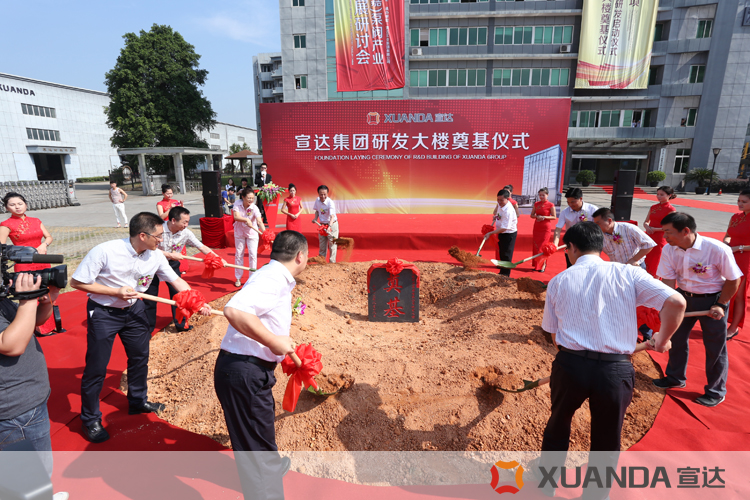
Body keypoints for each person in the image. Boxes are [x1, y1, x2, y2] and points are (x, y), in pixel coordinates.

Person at [537, 222, 685, 499]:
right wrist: (662, 341)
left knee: (558, 424)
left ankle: (546, 487)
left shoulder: (560, 280)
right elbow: (676, 302)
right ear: (602, 246)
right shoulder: (628, 273)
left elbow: (552, 334)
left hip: (570, 366)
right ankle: (595, 495)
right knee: (607, 437)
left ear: (571, 248)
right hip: (615, 370)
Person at [70, 212, 210, 442]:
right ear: (142, 235)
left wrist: (196, 299)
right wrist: (115, 291)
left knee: (139, 356)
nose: (162, 241)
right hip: (104, 312)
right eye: (158, 236)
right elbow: (77, 282)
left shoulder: (154, 255)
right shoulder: (105, 251)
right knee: (97, 366)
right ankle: (90, 418)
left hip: (134, 309)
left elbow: (176, 281)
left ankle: (137, 400)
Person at [214, 230, 305, 499]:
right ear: (300, 256)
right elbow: (235, 311)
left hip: (245, 369)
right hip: (245, 371)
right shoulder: (272, 278)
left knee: (255, 441)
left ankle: (270, 467)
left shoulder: (273, 274)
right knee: (257, 454)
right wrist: (273, 341)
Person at [654, 212, 742, 407]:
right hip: (683, 297)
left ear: (686, 231)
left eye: (668, 232)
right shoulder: (670, 250)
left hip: (713, 301)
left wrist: (721, 304)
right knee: (675, 337)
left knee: (715, 347)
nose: (665, 237)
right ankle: (675, 377)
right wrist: (669, 304)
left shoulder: (716, 249)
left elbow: (733, 279)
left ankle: (715, 391)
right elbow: (668, 279)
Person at [0, 274, 69, 500]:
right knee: (29, 483)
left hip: (26, 401)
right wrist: (27, 299)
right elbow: (11, 345)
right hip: (16, 411)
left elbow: (31, 322)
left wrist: (49, 298)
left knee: (33, 475)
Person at [144, 206, 227, 332]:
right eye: (185, 222)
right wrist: (170, 254)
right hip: (152, 265)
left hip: (171, 265)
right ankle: (147, 330)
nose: (187, 225)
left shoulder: (186, 233)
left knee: (179, 294)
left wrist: (217, 258)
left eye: (187, 222)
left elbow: (202, 247)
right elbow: (151, 249)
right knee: (150, 297)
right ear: (173, 220)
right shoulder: (158, 229)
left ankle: (181, 324)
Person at [0, 192, 58, 335]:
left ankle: (50, 326)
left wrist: (44, 245)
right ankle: (34, 328)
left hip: (42, 260)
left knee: (48, 291)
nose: (17, 207)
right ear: (7, 208)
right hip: (23, 264)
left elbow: (49, 237)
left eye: (20, 204)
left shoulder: (36, 220)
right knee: (31, 295)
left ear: (25, 204)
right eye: (12, 205)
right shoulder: (6, 225)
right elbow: (1, 247)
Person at [723, 189, 750, 339]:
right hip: (730, 256)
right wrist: (726, 245)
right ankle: (723, 320)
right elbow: (728, 235)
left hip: (745, 259)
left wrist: (738, 248)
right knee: (726, 291)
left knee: (739, 294)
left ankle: (733, 327)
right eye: (739, 201)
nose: (739, 204)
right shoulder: (735, 217)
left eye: (744, 202)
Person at [552, 187, 599, 268]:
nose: (570, 205)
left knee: (589, 267)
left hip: (589, 244)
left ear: (581, 199)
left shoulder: (593, 210)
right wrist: (555, 244)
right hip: (572, 245)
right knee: (572, 267)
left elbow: (599, 227)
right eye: (568, 202)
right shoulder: (565, 212)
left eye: (573, 202)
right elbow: (558, 229)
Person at [233, 188, 266, 287]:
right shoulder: (237, 204)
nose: (251, 200)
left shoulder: (254, 208)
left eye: (252, 198)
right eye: (249, 198)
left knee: (252, 255)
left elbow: (259, 222)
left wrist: (265, 233)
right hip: (239, 231)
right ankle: (238, 278)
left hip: (252, 232)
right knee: (239, 254)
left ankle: (252, 278)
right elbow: (236, 216)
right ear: (243, 197)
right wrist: (245, 220)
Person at [643, 186, 677, 277]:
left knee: (657, 259)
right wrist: (646, 226)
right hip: (649, 235)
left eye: (662, 195)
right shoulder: (653, 207)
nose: (659, 196)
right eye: (657, 194)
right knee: (646, 257)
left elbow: (670, 226)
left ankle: (655, 280)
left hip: (661, 237)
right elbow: (646, 221)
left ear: (669, 195)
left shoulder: (671, 209)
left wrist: (654, 229)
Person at [483, 189, 518, 277]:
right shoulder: (500, 204)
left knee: (506, 255)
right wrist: (497, 217)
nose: (499, 202)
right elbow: (499, 214)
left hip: (509, 234)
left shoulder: (508, 210)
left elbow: (505, 228)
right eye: (498, 199)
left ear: (507, 199)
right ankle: (502, 273)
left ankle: (506, 275)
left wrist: (490, 233)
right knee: (502, 253)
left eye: (501, 200)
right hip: (501, 232)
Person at [529, 187, 556, 272]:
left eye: (543, 195)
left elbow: (554, 217)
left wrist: (544, 217)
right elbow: (532, 215)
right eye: (540, 195)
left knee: (543, 246)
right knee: (536, 246)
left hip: (545, 228)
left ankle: (543, 265)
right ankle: (537, 266)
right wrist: (537, 216)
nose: (541, 197)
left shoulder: (551, 205)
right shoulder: (536, 204)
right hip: (537, 227)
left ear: (547, 195)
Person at [312, 185, 338, 264]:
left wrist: (329, 226)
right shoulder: (317, 200)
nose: (323, 196)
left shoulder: (330, 202)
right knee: (322, 244)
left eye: (325, 194)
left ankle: (332, 263)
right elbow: (317, 211)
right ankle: (321, 262)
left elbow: (332, 216)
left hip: (331, 224)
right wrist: (315, 218)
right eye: (321, 194)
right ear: (318, 194)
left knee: (332, 244)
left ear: (327, 194)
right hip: (322, 225)